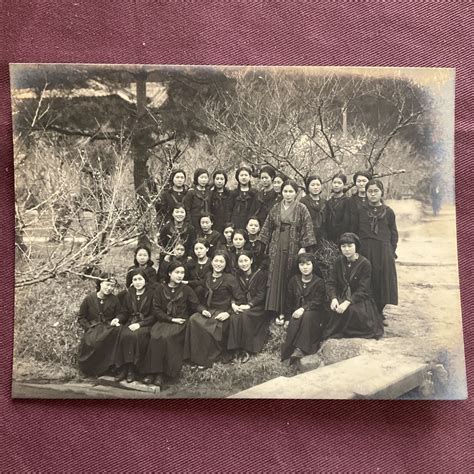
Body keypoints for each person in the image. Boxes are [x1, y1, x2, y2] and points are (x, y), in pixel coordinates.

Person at [258, 179, 317, 326]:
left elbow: (307, 228)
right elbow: (267, 227)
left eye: (291, 191)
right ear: (281, 192)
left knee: (288, 277)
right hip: (276, 246)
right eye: (285, 191)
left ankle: (285, 311)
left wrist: (303, 247)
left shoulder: (302, 208)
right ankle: (273, 311)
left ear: (296, 193)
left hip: (293, 247)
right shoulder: (276, 207)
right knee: (275, 278)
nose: (288, 194)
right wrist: (263, 244)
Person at [141, 262, 204, 387]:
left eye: (182, 273)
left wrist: (203, 310)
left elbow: (195, 304)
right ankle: (151, 372)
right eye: (177, 272)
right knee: (155, 336)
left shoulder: (186, 289)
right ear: (170, 274)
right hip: (164, 320)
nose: (180, 275)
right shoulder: (160, 288)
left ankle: (162, 374)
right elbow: (156, 309)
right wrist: (170, 319)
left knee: (168, 338)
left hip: (180, 322)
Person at [184, 250, 246, 368]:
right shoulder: (208, 276)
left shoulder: (230, 278)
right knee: (193, 320)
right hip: (209, 309)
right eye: (216, 261)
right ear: (211, 262)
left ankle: (206, 360)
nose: (218, 264)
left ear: (226, 264)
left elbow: (240, 298)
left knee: (210, 328)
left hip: (223, 312)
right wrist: (202, 310)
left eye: (221, 261)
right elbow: (201, 297)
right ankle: (194, 358)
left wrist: (228, 313)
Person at [323, 233, 383, 339]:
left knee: (353, 312)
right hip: (342, 296)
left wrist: (347, 302)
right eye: (343, 246)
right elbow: (331, 282)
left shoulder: (365, 264)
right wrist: (333, 298)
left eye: (350, 246)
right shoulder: (338, 261)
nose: (346, 249)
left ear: (356, 247)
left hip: (359, 299)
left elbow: (363, 289)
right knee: (332, 311)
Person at [353, 179, 398, 319]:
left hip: (384, 250)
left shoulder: (388, 212)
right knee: (368, 280)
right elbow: (354, 231)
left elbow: (393, 233)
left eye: (376, 191)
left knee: (382, 280)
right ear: (366, 193)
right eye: (370, 191)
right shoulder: (360, 210)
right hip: (366, 250)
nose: (373, 194)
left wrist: (391, 250)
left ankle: (379, 311)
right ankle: (369, 312)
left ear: (381, 192)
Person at [281, 253, 327, 364]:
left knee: (307, 316)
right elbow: (288, 301)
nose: (305, 267)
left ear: (313, 265)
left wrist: (303, 309)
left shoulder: (319, 282)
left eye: (308, 264)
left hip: (314, 313)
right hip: (297, 313)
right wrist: (287, 318)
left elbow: (318, 301)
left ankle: (301, 349)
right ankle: (291, 351)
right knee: (295, 321)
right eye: (302, 264)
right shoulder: (293, 280)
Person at [77, 273, 124, 377]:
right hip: (93, 327)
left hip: (107, 327)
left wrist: (117, 319)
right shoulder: (89, 299)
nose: (109, 288)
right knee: (93, 342)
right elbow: (81, 317)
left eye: (112, 286)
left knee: (115, 335)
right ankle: (86, 369)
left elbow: (120, 313)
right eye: (107, 284)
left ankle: (106, 369)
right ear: (100, 283)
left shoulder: (114, 299)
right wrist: (88, 327)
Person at [227, 251, 270, 362]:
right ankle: (236, 349)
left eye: (246, 260)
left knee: (245, 316)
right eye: (240, 261)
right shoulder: (236, 275)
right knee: (235, 317)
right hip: (241, 304)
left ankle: (247, 349)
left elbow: (261, 295)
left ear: (251, 261)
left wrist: (249, 305)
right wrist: (233, 304)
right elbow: (232, 292)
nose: (243, 264)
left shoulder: (260, 274)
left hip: (257, 306)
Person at [115, 269, 156, 383]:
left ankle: (132, 370)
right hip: (131, 322)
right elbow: (124, 312)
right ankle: (124, 368)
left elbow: (154, 315)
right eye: (135, 279)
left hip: (146, 324)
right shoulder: (129, 294)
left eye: (140, 279)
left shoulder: (152, 293)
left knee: (135, 336)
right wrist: (117, 319)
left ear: (145, 280)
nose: (138, 282)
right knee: (123, 334)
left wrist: (140, 324)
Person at [300, 175, 327, 247]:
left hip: (322, 237)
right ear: (308, 187)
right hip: (307, 236)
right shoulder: (303, 201)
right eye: (312, 185)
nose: (316, 187)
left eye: (318, 185)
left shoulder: (324, 202)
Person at [325, 173, 351, 244]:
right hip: (328, 238)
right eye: (334, 182)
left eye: (339, 183)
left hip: (342, 237)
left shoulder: (348, 201)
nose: (336, 185)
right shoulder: (328, 202)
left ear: (344, 185)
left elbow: (347, 222)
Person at [231, 165, 258, 229]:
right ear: (237, 177)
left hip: (250, 224)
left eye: (246, 175)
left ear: (250, 177)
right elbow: (230, 209)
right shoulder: (233, 193)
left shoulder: (254, 193)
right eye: (241, 175)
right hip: (235, 222)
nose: (244, 177)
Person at [186, 238, 212, 303]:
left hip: (207, 292)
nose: (198, 251)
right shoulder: (190, 263)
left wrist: (189, 282)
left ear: (207, 249)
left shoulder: (212, 263)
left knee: (199, 289)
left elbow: (207, 281)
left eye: (201, 248)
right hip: (191, 292)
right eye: (196, 249)